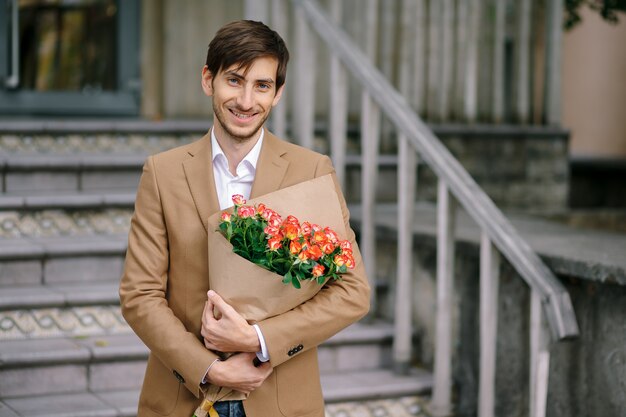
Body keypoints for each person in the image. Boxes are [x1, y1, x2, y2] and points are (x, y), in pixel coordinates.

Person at [119, 20, 370, 417]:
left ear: (278, 93)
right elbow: (139, 295)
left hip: (280, 398)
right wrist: (209, 368)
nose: (246, 100)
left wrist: (259, 339)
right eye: (234, 81)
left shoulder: (312, 170)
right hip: (183, 397)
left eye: (262, 85)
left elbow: (352, 292)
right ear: (208, 80)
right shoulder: (162, 173)